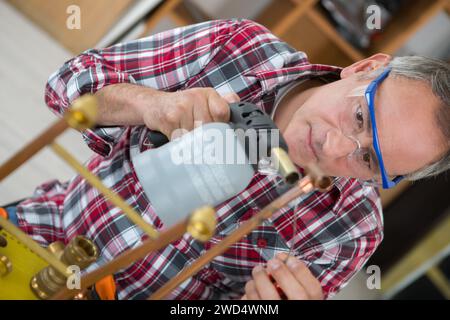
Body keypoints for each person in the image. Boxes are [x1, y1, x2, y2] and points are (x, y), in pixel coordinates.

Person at [5, 19, 450, 299]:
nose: (334, 149)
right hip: (46, 230)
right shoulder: (239, 50)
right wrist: (147, 103)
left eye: (369, 161)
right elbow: (66, 84)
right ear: (364, 68)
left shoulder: (350, 232)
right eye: (359, 116)